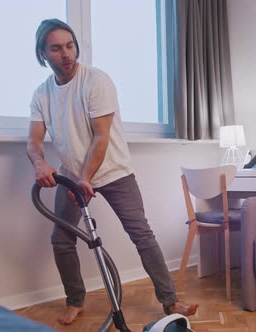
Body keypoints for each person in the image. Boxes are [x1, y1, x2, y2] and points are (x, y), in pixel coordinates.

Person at [26, 18, 198, 325]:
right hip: (72, 174)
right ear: (42, 55)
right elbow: (34, 141)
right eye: (56, 48)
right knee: (61, 239)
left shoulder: (96, 81)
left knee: (141, 234)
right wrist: (39, 163)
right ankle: (75, 299)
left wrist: (84, 179)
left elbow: (101, 137)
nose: (66, 53)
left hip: (114, 171)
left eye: (70, 45)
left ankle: (170, 301)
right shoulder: (42, 94)